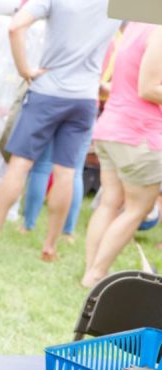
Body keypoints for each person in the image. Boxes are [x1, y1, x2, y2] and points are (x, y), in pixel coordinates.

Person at [0, 0, 120, 261]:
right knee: (66, 172)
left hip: (46, 91)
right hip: (85, 97)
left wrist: (24, 70)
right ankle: (50, 246)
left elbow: (15, 26)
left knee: (20, 165)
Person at [81, 23, 162, 288]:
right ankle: (96, 274)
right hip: (139, 133)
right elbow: (148, 88)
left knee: (109, 203)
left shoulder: (137, 26)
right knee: (137, 209)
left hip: (113, 127)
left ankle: (91, 272)